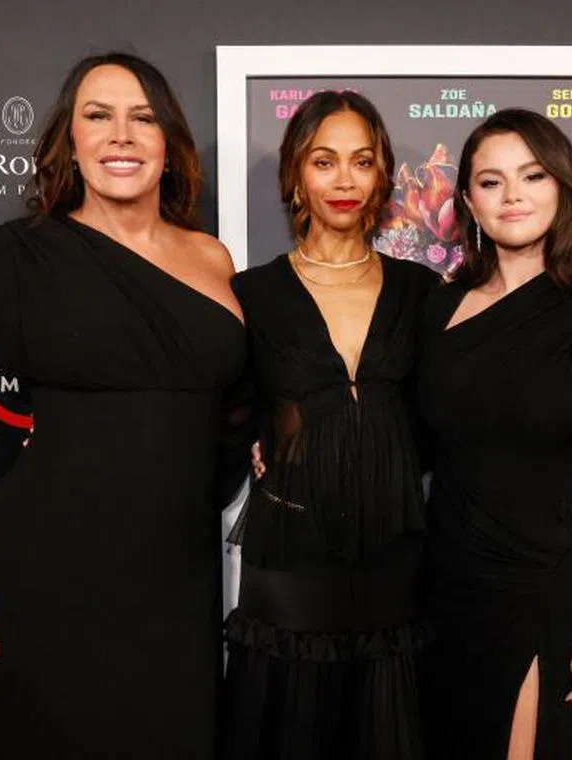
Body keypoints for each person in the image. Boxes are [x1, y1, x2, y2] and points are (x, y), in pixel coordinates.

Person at [0, 52, 246, 759]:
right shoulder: (18, 257)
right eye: (98, 116)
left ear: (169, 144)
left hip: (176, 574)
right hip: (49, 564)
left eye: (143, 118)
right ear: (70, 142)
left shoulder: (213, 259)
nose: (121, 135)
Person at [416, 108, 572, 760]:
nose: (513, 196)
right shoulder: (437, 307)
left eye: (532, 175)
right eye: (491, 181)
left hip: (540, 581)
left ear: (563, 185)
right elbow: (406, 435)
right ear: (468, 200)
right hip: (442, 583)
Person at [221, 89, 436, 760]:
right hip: (291, 554)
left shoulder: (422, 292)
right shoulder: (251, 294)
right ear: (297, 174)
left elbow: (460, 410)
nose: (344, 179)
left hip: (393, 555)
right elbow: (216, 408)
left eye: (361, 161)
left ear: (381, 175)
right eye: (324, 161)